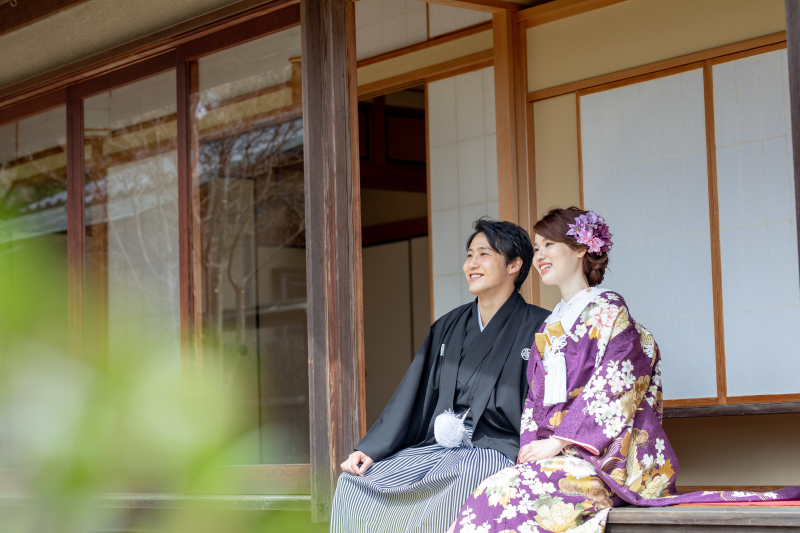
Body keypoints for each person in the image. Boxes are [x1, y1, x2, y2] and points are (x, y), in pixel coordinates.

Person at [452, 207, 800, 533]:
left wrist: (558, 442)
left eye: (549, 245)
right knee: (495, 489)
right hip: (559, 454)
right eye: (537, 247)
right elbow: (536, 399)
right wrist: (534, 447)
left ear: (578, 249)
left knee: (510, 496)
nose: (539, 255)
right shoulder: (549, 324)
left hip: (606, 461)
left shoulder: (608, 309)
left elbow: (615, 384)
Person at [330, 218, 550, 533]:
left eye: (483, 255)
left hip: (495, 448)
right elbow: (413, 393)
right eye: (469, 255)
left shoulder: (542, 327)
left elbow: (551, 404)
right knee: (355, 483)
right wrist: (370, 447)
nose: (471, 264)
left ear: (514, 264)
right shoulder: (447, 326)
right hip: (440, 446)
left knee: (467, 483)